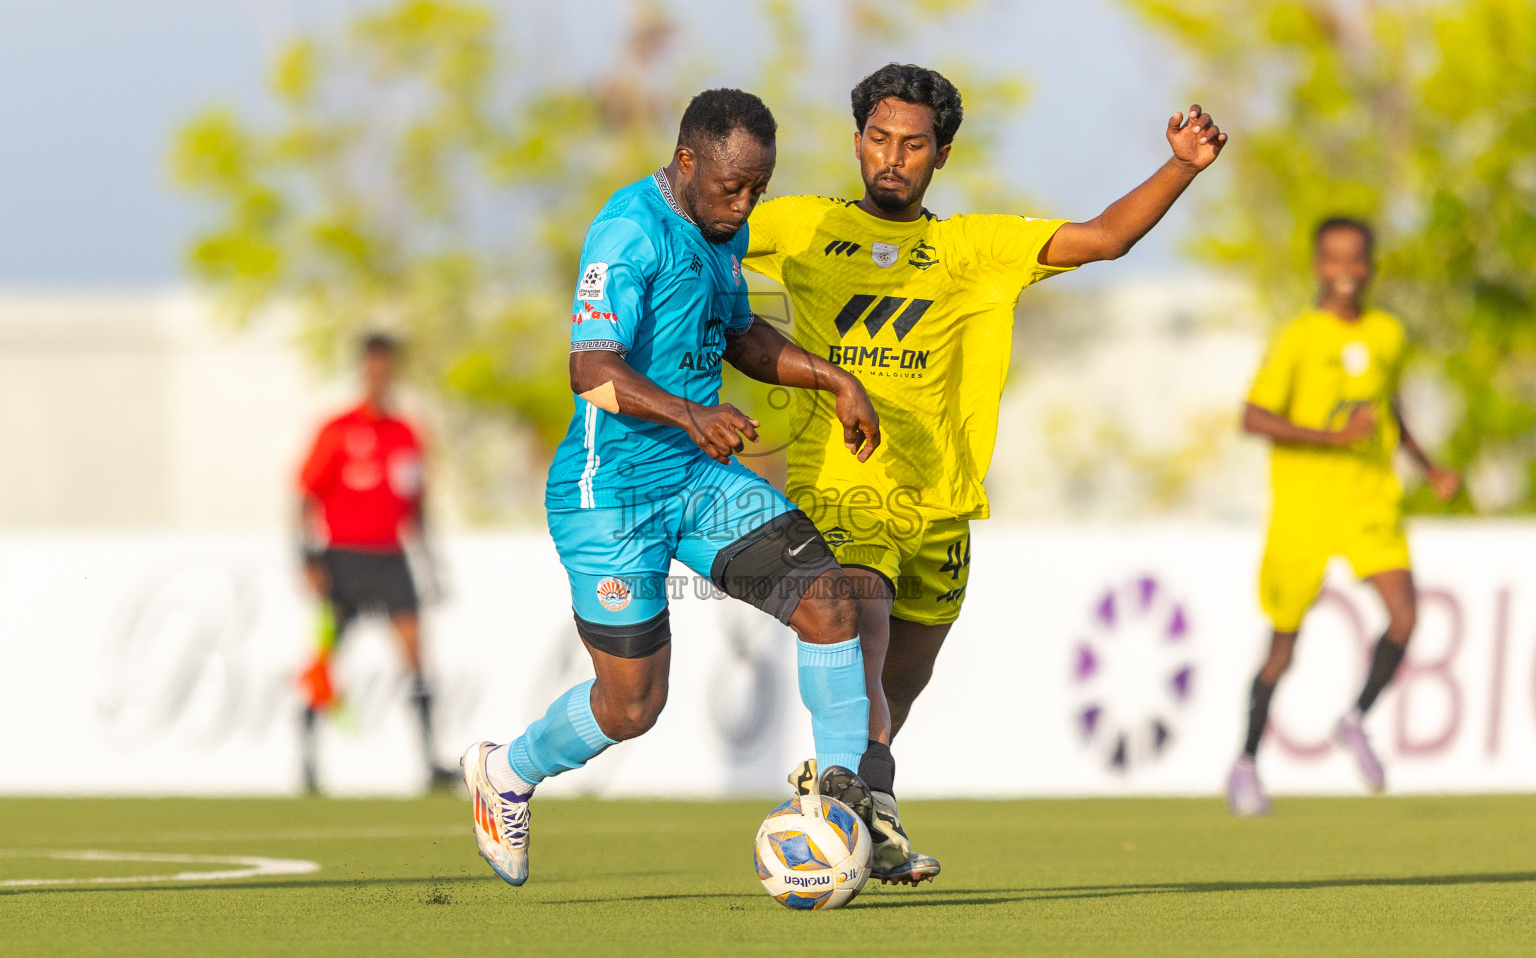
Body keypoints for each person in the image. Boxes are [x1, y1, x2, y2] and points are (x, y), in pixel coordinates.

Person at [745, 63, 1227, 883]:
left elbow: (1105, 239)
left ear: (941, 155)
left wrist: (1180, 164)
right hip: (842, 480)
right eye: (879, 139)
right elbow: (695, 232)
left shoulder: (975, 246)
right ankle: (842, 810)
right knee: (862, 627)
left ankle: (870, 805)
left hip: (944, 500)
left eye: (914, 145)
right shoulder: (796, 225)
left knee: (900, 684)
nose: (892, 158)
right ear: (857, 141)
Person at [460, 88, 886, 888]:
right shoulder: (627, 231)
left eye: (758, 186)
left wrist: (830, 378)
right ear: (686, 161)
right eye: (733, 186)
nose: (746, 203)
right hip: (610, 497)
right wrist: (692, 413)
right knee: (631, 708)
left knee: (830, 600)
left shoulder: (723, 228)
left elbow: (742, 335)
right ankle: (507, 773)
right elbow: (590, 371)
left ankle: (842, 803)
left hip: (695, 480)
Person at [1226, 217, 1460, 816]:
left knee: (1406, 615)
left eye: (1356, 259)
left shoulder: (1387, 333)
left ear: (1371, 263)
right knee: (1284, 647)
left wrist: (1429, 466)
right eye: (1334, 260)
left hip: (1368, 500)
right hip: (1303, 507)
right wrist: (1330, 438)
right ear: (1317, 267)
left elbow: (1391, 409)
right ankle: (1248, 761)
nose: (1346, 272)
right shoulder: (1300, 337)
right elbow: (1253, 416)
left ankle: (1355, 718)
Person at [297, 333, 454, 792]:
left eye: (387, 366)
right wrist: (308, 558)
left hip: (391, 557)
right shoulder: (337, 428)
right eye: (373, 365)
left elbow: (416, 504)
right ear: (363, 369)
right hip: (342, 558)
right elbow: (305, 493)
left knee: (415, 654)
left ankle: (429, 761)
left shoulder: (406, 433)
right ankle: (306, 759)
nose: (380, 374)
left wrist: (430, 561)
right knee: (326, 658)